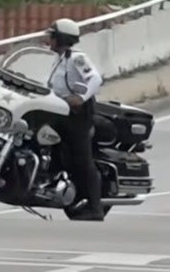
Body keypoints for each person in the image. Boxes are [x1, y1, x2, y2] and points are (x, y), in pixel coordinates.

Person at [46, 18, 105, 221]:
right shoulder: (60, 58)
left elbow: (95, 79)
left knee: (81, 159)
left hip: (78, 114)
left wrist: (80, 98)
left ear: (61, 38)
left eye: (52, 36)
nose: (48, 39)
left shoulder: (76, 58)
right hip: (60, 109)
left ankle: (96, 208)